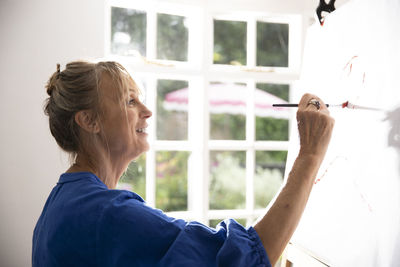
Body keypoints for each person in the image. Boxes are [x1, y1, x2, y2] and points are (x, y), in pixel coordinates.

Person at [32, 60, 334, 267]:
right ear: (89, 120)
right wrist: (310, 154)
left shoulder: (67, 200)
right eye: (129, 101)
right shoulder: (105, 213)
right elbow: (245, 260)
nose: (148, 111)